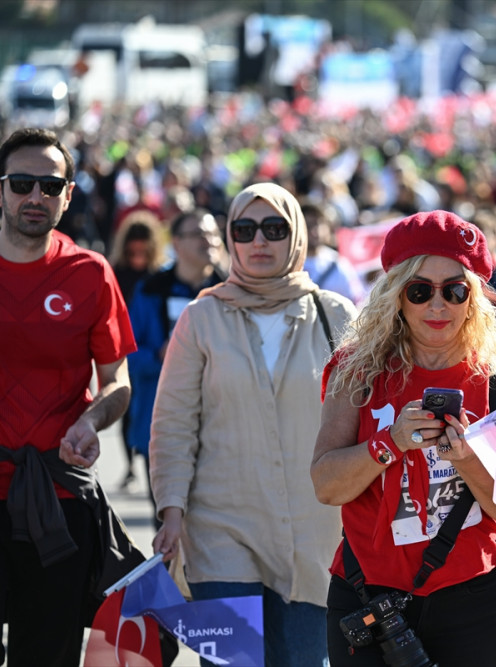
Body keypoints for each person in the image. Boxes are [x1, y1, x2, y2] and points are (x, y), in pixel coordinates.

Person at [0, 128, 137, 665]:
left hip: (58, 498)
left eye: (49, 186)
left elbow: (117, 382)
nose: (36, 197)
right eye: (23, 183)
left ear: (68, 194)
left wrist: (92, 421)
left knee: (48, 655)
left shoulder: (90, 273)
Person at [312, 210, 496, 666]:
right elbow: (326, 485)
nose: (438, 306)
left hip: (467, 598)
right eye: (420, 291)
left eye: (455, 291)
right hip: (366, 591)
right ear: (396, 295)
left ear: (473, 298)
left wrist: (468, 458)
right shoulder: (357, 370)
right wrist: (391, 441)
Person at [150, 183, 357, 667]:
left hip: (315, 533)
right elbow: (174, 422)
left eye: (274, 228)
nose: (259, 241)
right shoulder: (201, 318)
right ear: (231, 238)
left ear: (296, 236)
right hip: (219, 529)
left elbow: (362, 421)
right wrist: (171, 509)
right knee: (232, 664)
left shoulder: (335, 315)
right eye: (245, 229)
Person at [126, 207, 227, 515]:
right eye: (198, 233)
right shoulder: (150, 290)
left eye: (213, 234)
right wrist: (161, 355)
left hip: (221, 428)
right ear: (177, 243)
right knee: (168, 526)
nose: (208, 241)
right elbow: (126, 354)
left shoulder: (233, 291)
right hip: (161, 423)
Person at [108, 210, 167, 491]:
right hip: (122, 350)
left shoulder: (159, 277)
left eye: (143, 251)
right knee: (125, 409)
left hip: (150, 353)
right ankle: (130, 464)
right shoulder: (116, 272)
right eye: (133, 251)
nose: (138, 256)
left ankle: (144, 461)